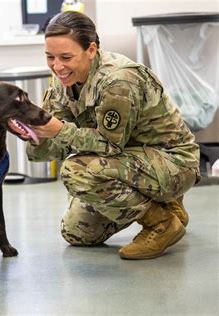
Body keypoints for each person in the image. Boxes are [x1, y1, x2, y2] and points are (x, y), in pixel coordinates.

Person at [18, 11, 201, 259]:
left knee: (76, 170)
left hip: (173, 162)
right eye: (50, 57)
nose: (57, 66)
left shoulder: (119, 79)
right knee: (77, 233)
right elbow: (49, 148)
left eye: (66, 57)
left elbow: (108, 145)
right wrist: (34, 135)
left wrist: (59, 130)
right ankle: (167, 204)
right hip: (130, 163)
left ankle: (161, 222)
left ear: (91, 50)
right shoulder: (64, 82)